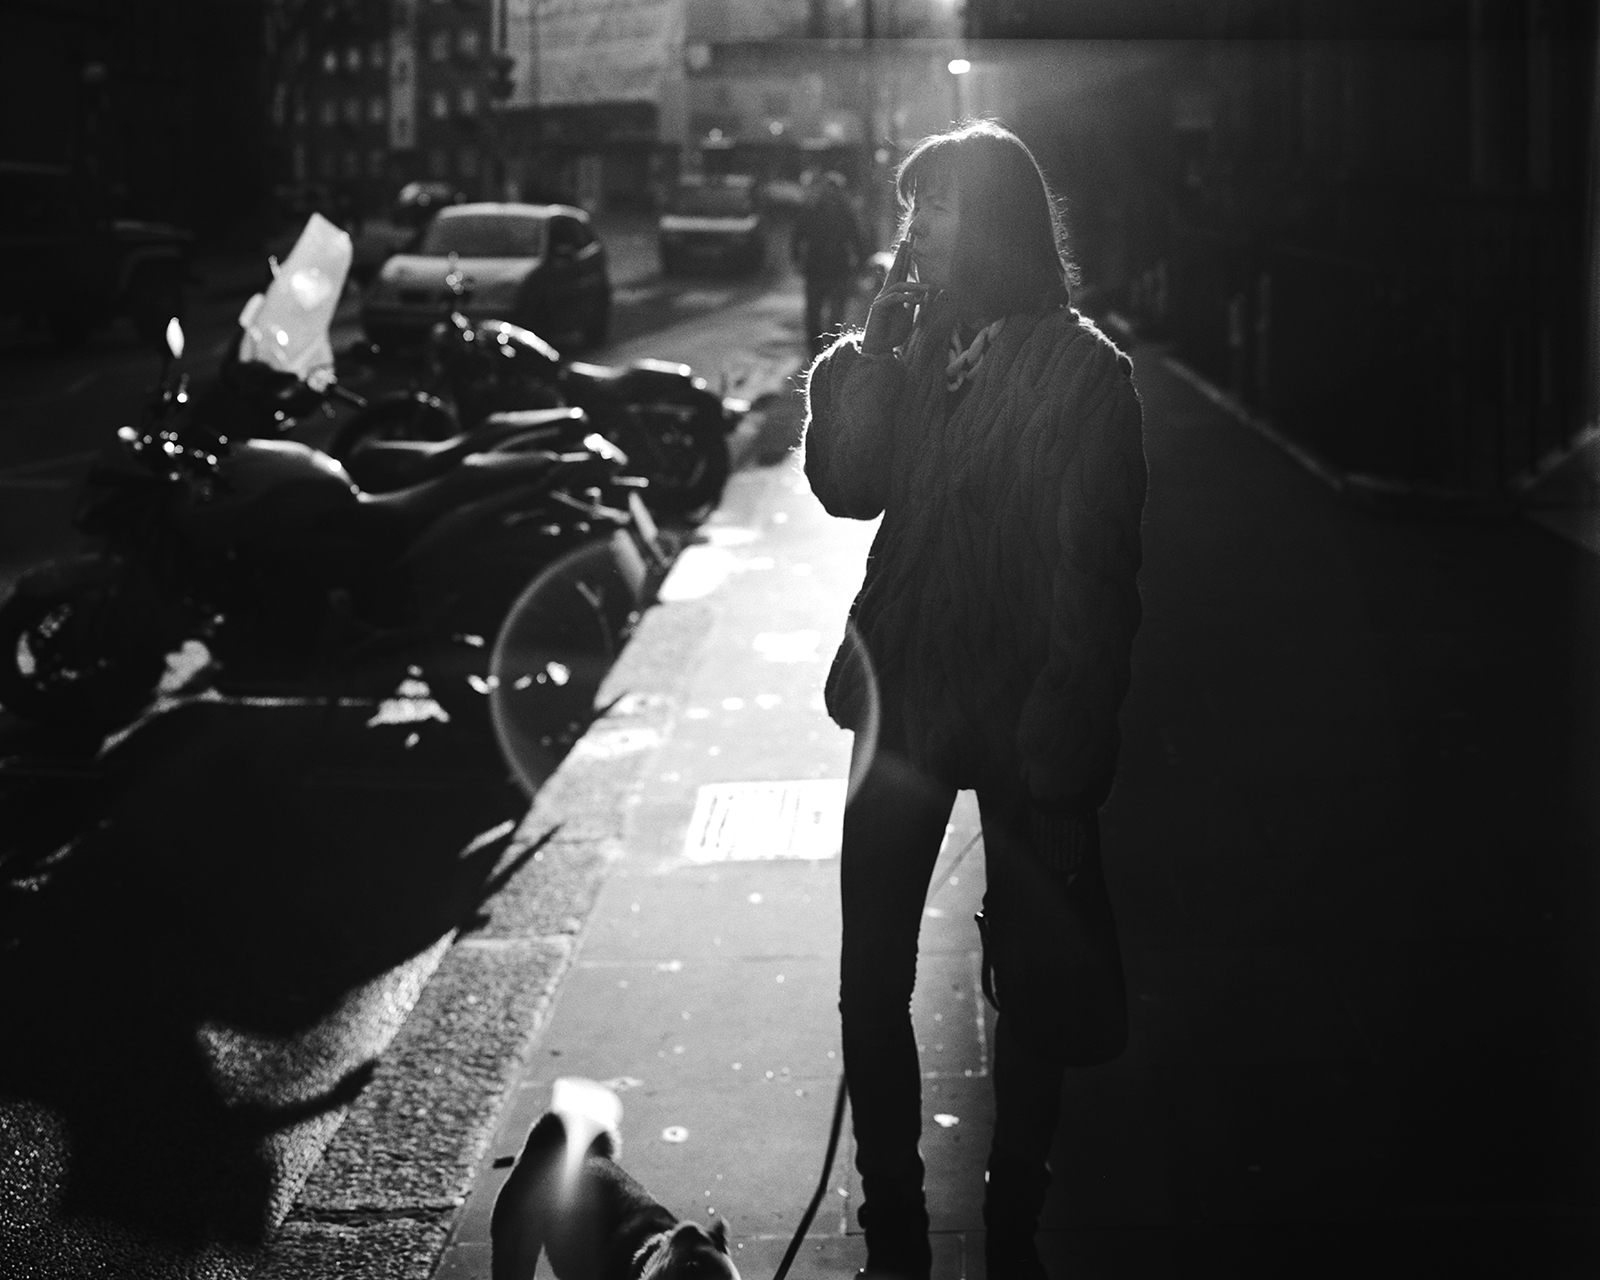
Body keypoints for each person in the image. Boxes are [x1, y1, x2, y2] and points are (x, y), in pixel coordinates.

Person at [801, 121, 1147, 1279]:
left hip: (1020, 716)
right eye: (910, 208)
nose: (914, 231)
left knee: (1032, 982)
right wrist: (871, 352)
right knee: (869, 974)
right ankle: (892, 1219)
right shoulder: (917, 347)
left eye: (936, 205)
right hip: (900, 696)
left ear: (992, 218)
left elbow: (1094, 586)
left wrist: (1060, 757)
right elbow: (846, 484)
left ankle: (1013, 1214)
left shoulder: (1085, 376)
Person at [792, 171, 869, 357]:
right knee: (818, 314)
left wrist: (860, 265)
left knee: (830, 315)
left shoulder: (841, 213)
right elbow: (798, 237)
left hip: (832, 270)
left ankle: (827, 351)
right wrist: (797, 259)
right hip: (822, 269)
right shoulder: (816, 211)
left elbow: (857, 241)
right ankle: (820, 351)